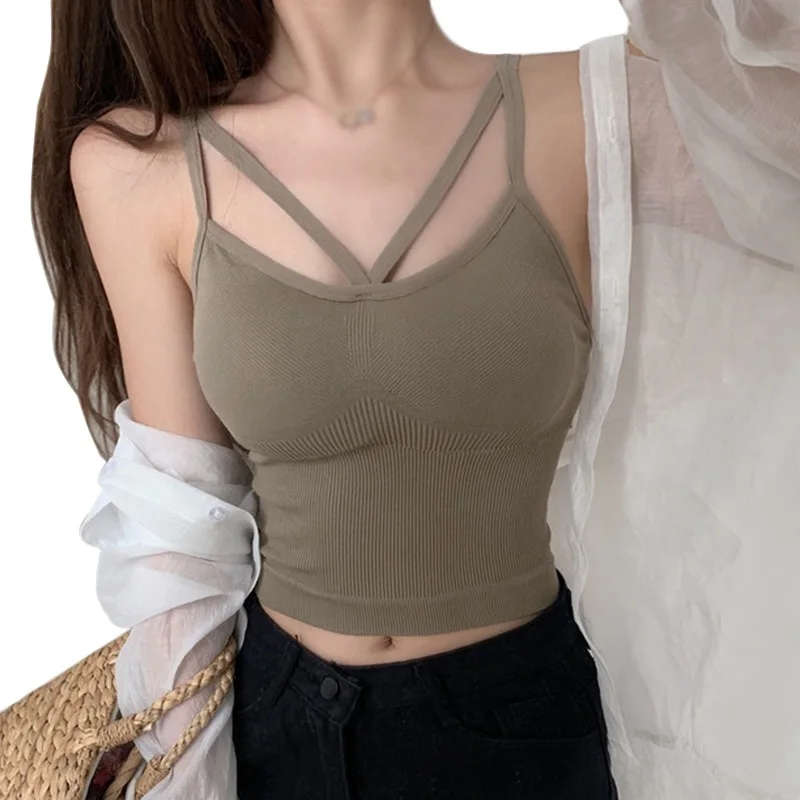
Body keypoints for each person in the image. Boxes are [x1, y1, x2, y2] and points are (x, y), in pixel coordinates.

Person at [30, 0, 799, 798]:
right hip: (276, 725)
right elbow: (179, 526)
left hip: (521, 725)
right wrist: (180, 773)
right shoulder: (139, 165)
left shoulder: (599, 107)